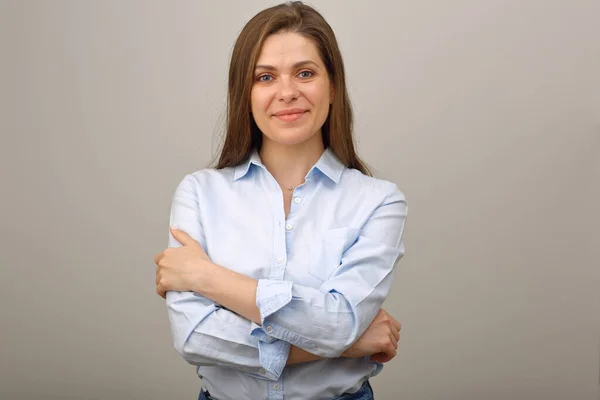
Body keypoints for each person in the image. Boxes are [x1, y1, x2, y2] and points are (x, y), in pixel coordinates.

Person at [153, 2, 408, 399]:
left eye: (305, 73)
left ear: (333, 86)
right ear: (246, 93)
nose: (287, 92)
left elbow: (339, 323)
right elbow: (195, 338)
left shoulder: (379, 201)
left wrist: (207, 277)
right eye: (265, 77)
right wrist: (348, 344)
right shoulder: (200, 193)